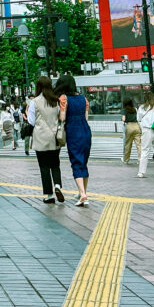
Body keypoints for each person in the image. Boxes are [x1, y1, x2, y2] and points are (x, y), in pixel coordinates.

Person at [56, 74, 91, 207]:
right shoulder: (83, 98)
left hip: (73, 131)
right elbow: (86, 117)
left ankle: (82, 195)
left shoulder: (64, 98)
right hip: (85, 130)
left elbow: (63, 117)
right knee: (84, 161)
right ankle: (83, 191)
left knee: (76, 161)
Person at [29, 76, 65, 204]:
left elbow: (31, 121)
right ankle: (57, 185)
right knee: (55, 164)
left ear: (38, 87)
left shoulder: (34, 102)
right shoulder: (55, 101)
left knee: (44, 167)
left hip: (40, 137)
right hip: (54, 137)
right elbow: (61, 117)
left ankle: (49, 195)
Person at [121, 98, 142, 165]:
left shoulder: (124, 110)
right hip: (136, 126)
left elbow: (124, 119)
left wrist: (122, 119)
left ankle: (126, 160)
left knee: (128, 144)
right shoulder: (135, 109)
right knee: (139, 144)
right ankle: (140, 160)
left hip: (129, 126)